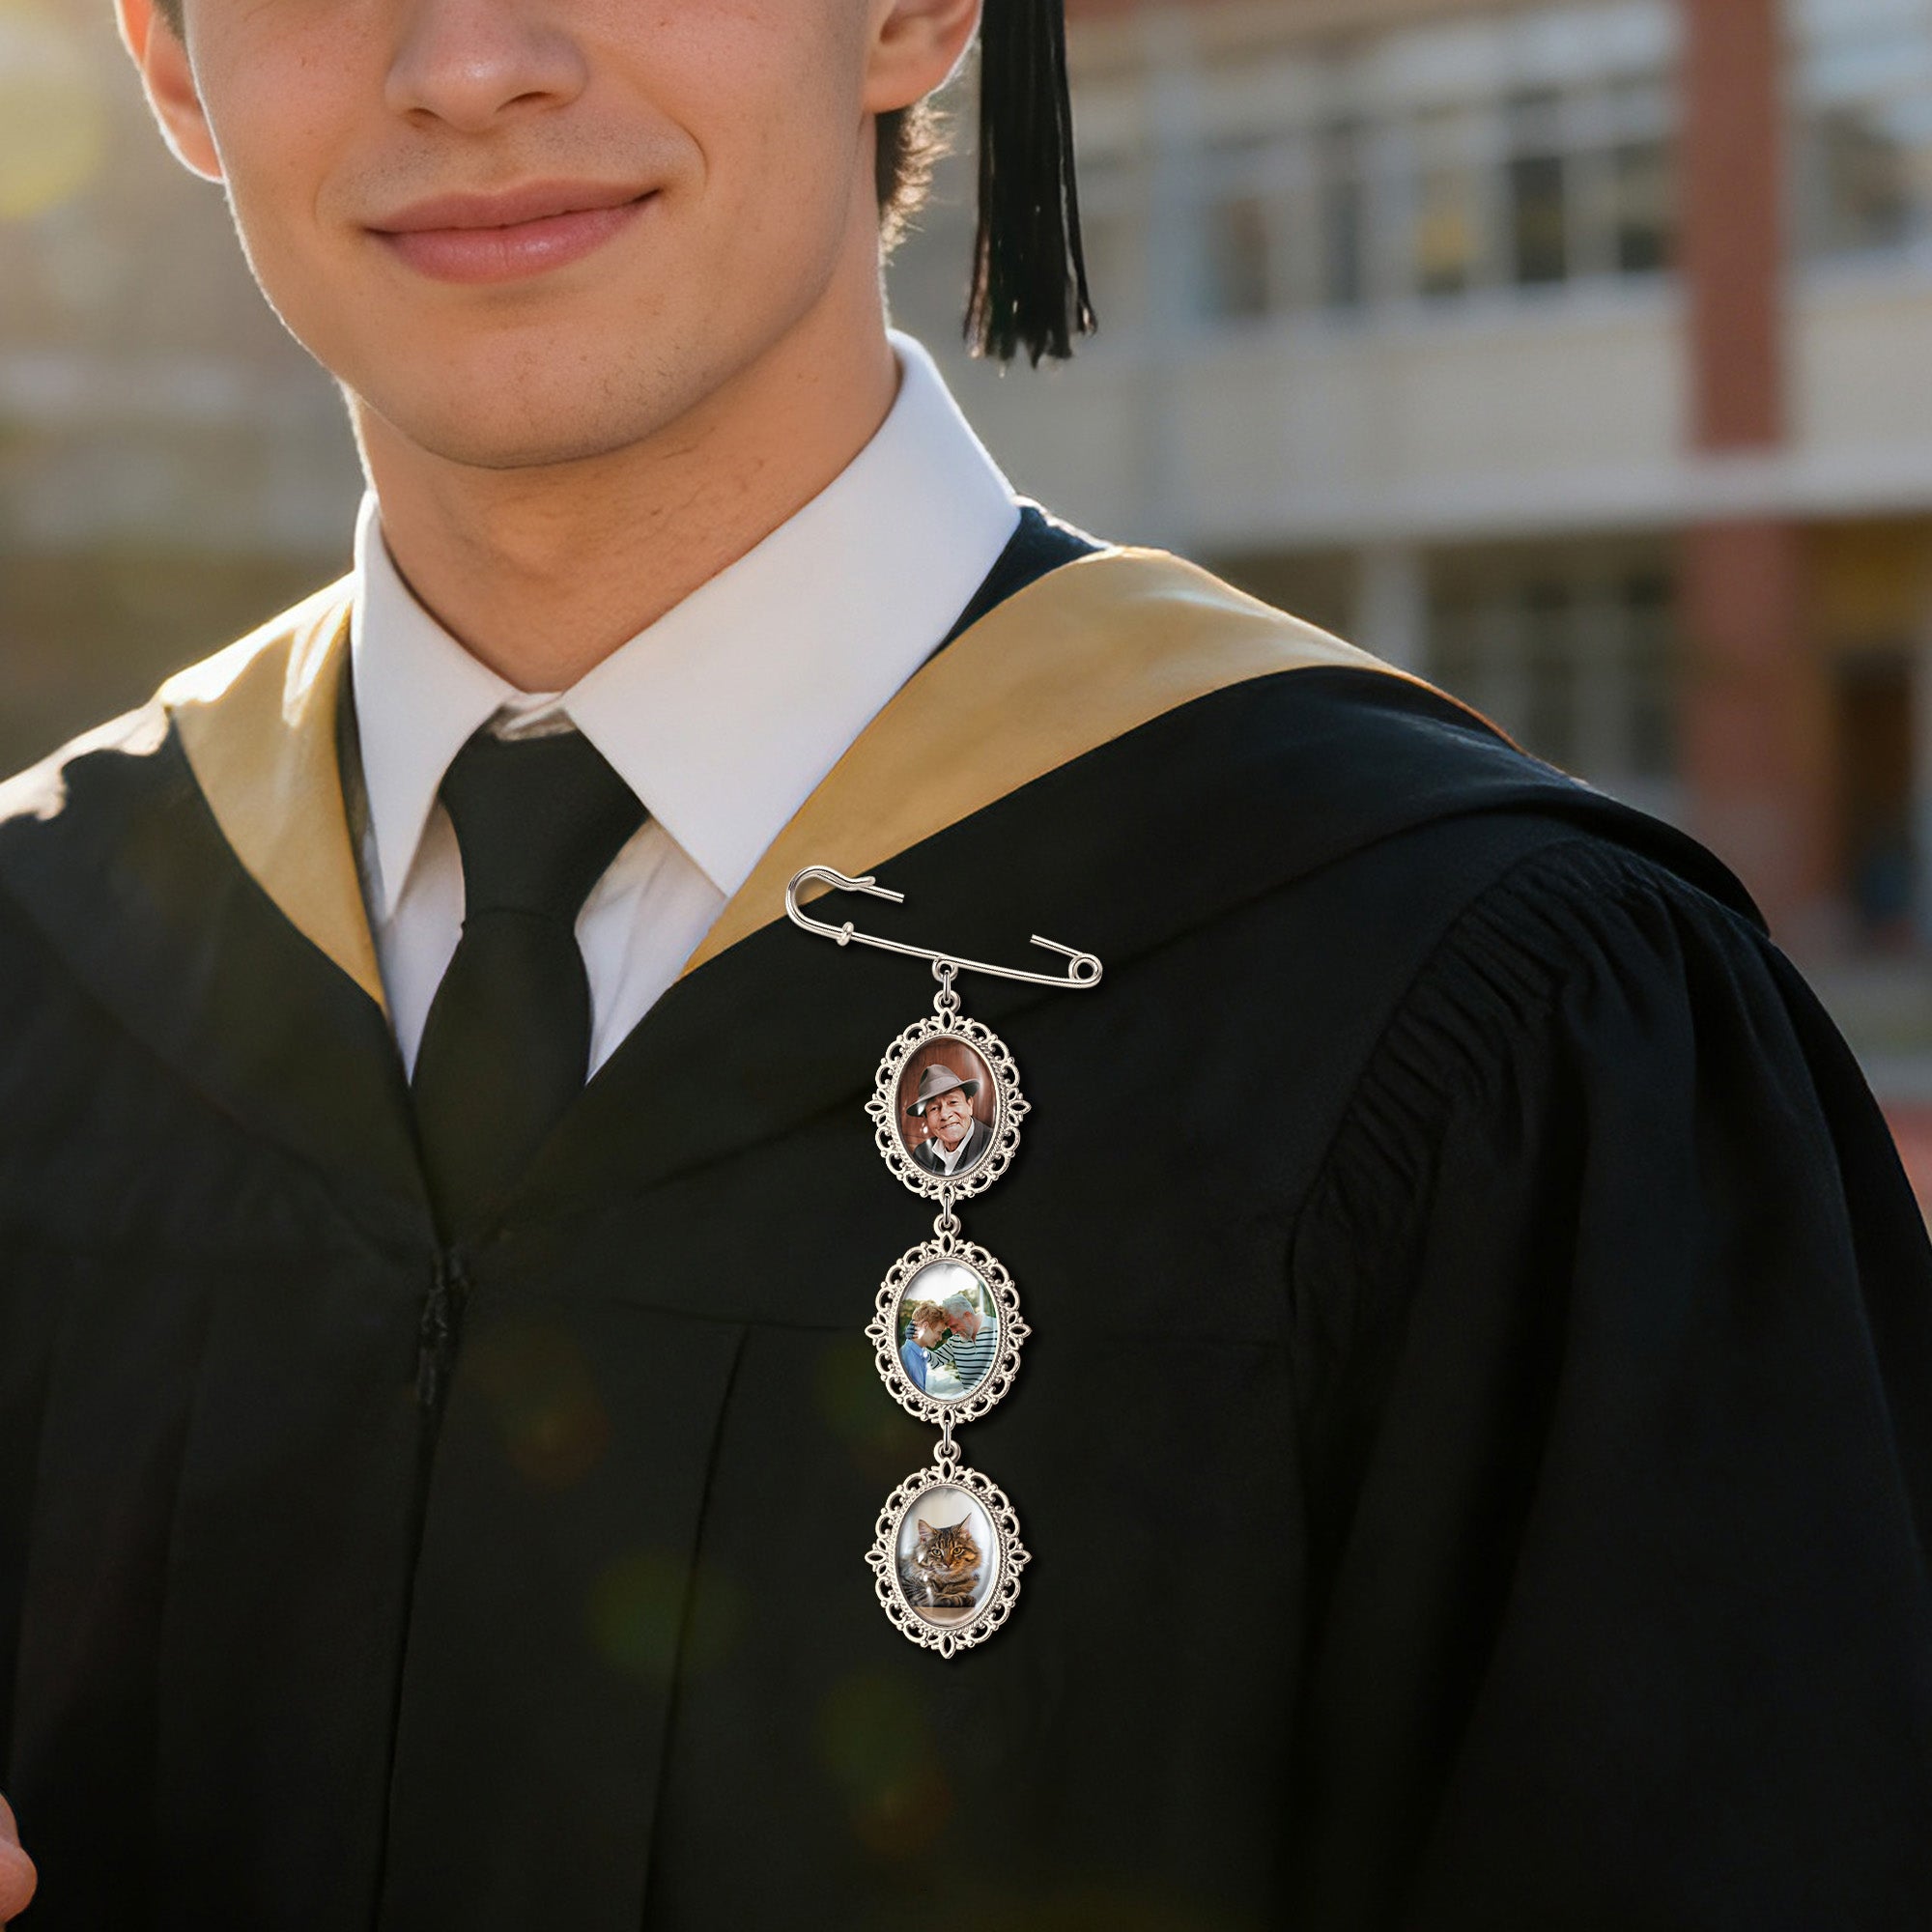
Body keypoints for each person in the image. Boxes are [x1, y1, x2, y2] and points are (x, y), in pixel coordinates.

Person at [0, 0, 1927, 1923]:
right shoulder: (45, 951)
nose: (474, 58)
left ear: (918, 13)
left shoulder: (1479, 1003)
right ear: (167, 59)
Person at [904, 1063, 993, 1176]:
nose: (945, 1115)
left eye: (953, 1102)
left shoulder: (993, 1144)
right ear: (926, 1119)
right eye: (934, 1108)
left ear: (969, 1105)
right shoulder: (922, 1154)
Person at [925, 1290, 999, 1397]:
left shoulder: (1000, 1329)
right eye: (950, 1328)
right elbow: (933, 1361)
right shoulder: (955, 1341)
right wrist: (917, 1340)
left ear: (967, 1315)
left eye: (955, 1326)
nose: (953, 1332)